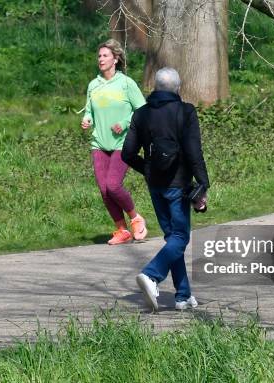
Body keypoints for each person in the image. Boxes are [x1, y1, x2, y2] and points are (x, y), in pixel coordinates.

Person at [121, 67, 209, 311]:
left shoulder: (141, 114)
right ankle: (151, 274)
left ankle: (183, 296)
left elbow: (128, 154)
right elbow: (194, 151)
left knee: (173, 239)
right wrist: (203, 183)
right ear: (177, 88)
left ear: (155, 87)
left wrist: (147, 169)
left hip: (156, 186)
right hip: (178, 185)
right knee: (180, 237)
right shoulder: (185, 111)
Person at [81, 39, 148, 245]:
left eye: (105, 56)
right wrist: (87, 118)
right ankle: (122, 230)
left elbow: (142, 110)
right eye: (99, 56)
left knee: (113, 185)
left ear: (116, 59)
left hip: (123, 142)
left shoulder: (126, 83)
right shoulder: (94, 85)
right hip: (99, 142)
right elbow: (89, 109)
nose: (100, 59)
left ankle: (136, 218)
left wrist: (125, 123)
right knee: (103, 189)